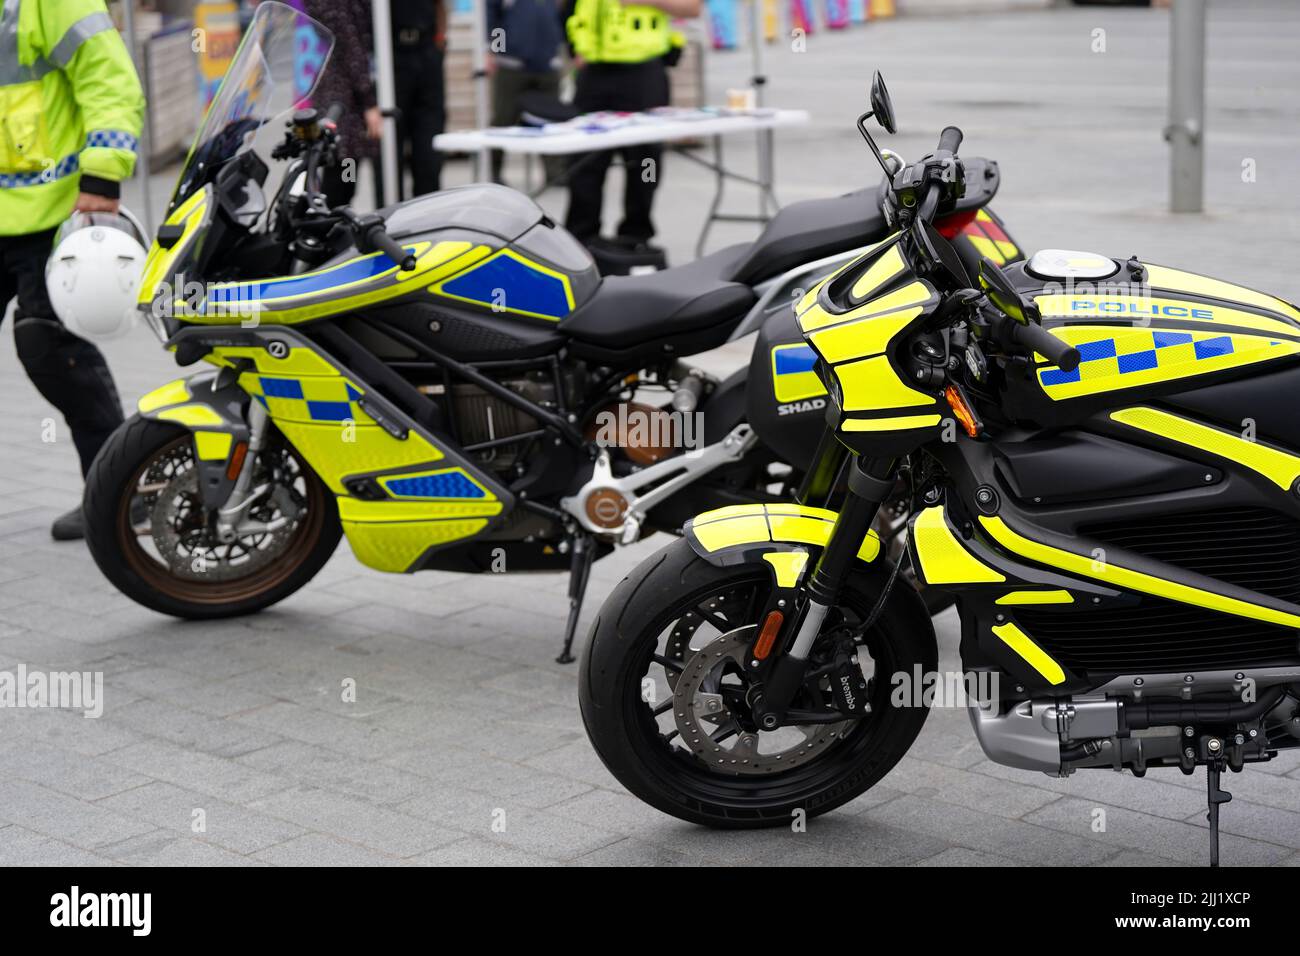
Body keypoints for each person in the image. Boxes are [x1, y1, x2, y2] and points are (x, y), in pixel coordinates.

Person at [0, 0, 144, 540]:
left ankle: (115, 492)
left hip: (51, 211)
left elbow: (109, 79)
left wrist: (103, 179)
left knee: (52, 353)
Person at [562, 0, 700, 248]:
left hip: (643, 70)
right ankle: (582, 237)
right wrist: (576, 50)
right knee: (585, 158)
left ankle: (636, 235)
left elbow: (692, 7)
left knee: (645, 158)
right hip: (595, 70)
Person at [306, 0, 383, 209]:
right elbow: (350, 47)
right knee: (342, 177)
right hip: (344, 99)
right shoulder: (333, 6)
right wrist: (368, 100)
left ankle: (334, 222)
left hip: (344, 94)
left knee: (346, 173)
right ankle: (328, 229)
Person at [485, 0, 564, 186]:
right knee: (503, 119)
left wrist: (560, 48)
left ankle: (555, 172)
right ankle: (493, 172)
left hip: (547, 63)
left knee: (551, 122)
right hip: (512, 64)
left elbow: (562, 15)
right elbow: (491, 15)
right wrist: (496, 51)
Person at [391, 0, 447, 198]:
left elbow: (440, 4)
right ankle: (391, 216)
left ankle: (428, 213)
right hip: (392, 53)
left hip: (426, 50)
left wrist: (440, 39)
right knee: (390, 146)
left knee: (429, 150)